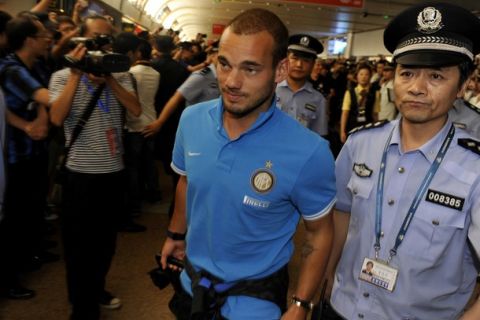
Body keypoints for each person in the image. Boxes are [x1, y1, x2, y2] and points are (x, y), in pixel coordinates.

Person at [160, 8, 336, 320]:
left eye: (250, 69)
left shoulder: (309, 152)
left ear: (279, 70)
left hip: (254, 304)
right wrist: (175, 235)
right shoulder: (192, 119)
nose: (231, 82)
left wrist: (301, 304)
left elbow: (320, 233)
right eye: (224, 65)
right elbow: (187, 181)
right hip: (190, 286)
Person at [324, 3, 480, 319]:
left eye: (436, 75)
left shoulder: (473, 167)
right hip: (343, 307)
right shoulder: (360, 144)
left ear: (462, 87)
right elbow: (341, 214)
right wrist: (325, 280)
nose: (416, 88)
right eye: (407, 73)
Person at [48, 15, 141, 320]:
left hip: (113, 174)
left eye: (106, 39)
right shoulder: (62, 77)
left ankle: (96, 288)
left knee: (105, 244)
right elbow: (56, 118)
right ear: (80, 42)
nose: (101, 45)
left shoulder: (123, 76)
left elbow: (136, 110)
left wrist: (110, 79)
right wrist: (77, 75)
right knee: (77, 246)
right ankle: (81, 304)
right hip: (79, 176)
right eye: (94, 39)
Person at [143, 40, 220, 138]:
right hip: (195, 128)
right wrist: (160, 122)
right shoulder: (203, 76)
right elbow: (177, 97)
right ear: (213, 56)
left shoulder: (223, 77)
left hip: (211, 128)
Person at [276, 34, 328, 137]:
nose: (299, 64)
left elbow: (318, 136)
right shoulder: (270, 90)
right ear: (286, 61)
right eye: (294, 58)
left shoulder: (318, 100)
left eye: (306, 60)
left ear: (313, 64)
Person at [339, 63, 380, 143]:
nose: (363, 77)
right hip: (352, 127)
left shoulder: (376, 93)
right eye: (361, 74)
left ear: (370, 76)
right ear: (357, 76)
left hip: (368, 128)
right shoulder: (349, 92)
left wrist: (378, 130)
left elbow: (375, 114)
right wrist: (342, 131)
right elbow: (345, 113)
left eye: (366, 74)